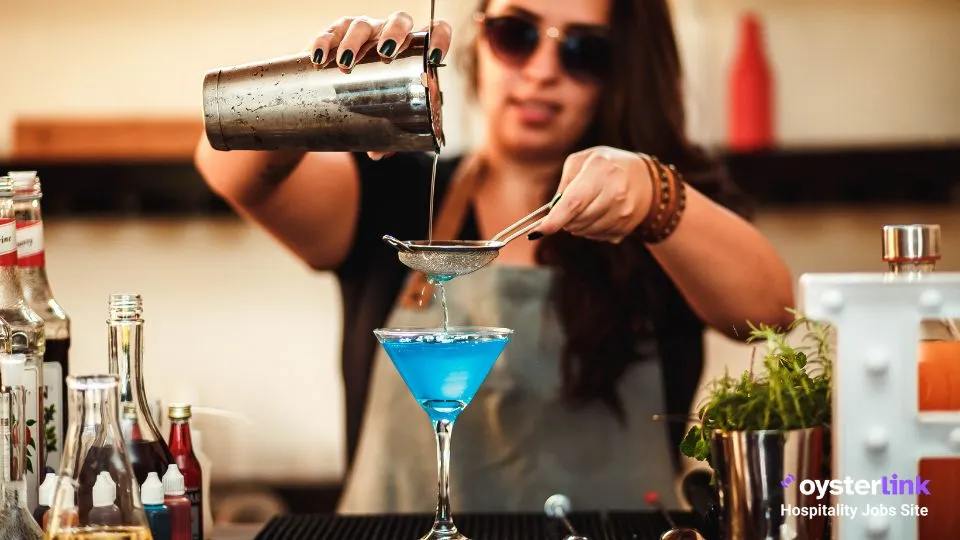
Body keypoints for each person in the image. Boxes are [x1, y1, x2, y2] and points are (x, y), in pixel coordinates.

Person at [195, 0, 795, 513]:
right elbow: (226, 169)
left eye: (585, 52)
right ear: (478, 41)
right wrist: (323, 89)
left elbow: (772, 311)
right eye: (517, 35)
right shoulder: (392, 189)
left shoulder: (658, 218)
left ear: (625, 72)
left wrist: (655, 195)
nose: (541, 72)